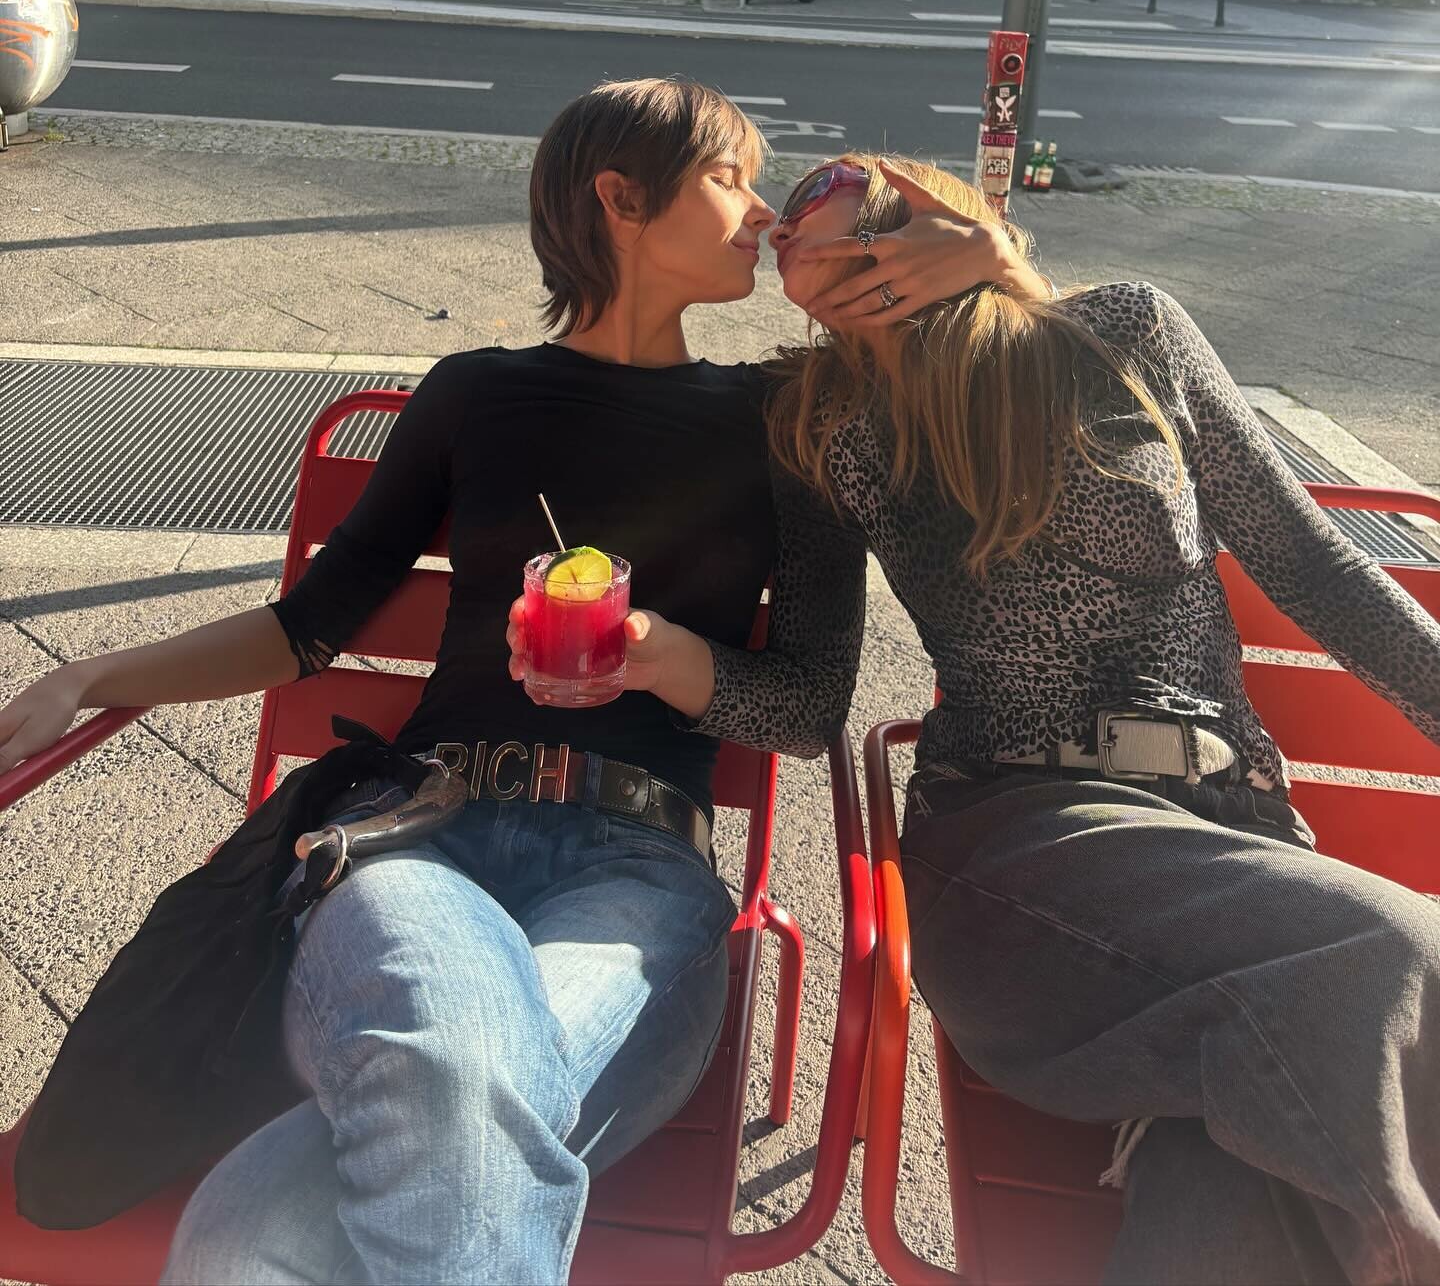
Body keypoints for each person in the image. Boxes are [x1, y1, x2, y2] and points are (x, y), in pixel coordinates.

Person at [0, 91, 1016, 1284]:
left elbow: (805, 707)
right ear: (621, 198)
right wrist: (90, 673)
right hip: (414, 834)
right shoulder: (473, 394)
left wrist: (664, 655)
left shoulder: (787, 423)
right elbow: (309, 625)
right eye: (731, 178)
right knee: (446, 1061)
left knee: (252, 1233)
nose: (760, 213)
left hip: (640, 876)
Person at [587, 153, 1440, 1286]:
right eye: (786, 218)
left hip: (1237, 832)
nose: (790, 221)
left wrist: (1009, 271)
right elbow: (805, 702)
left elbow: (1313, 564)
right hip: (1020, 838)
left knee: (1233, 1191)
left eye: (832, 193)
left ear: (924, 216)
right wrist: (668, 661)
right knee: (1397, 955)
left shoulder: (1126, 331)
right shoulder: (820, 419)